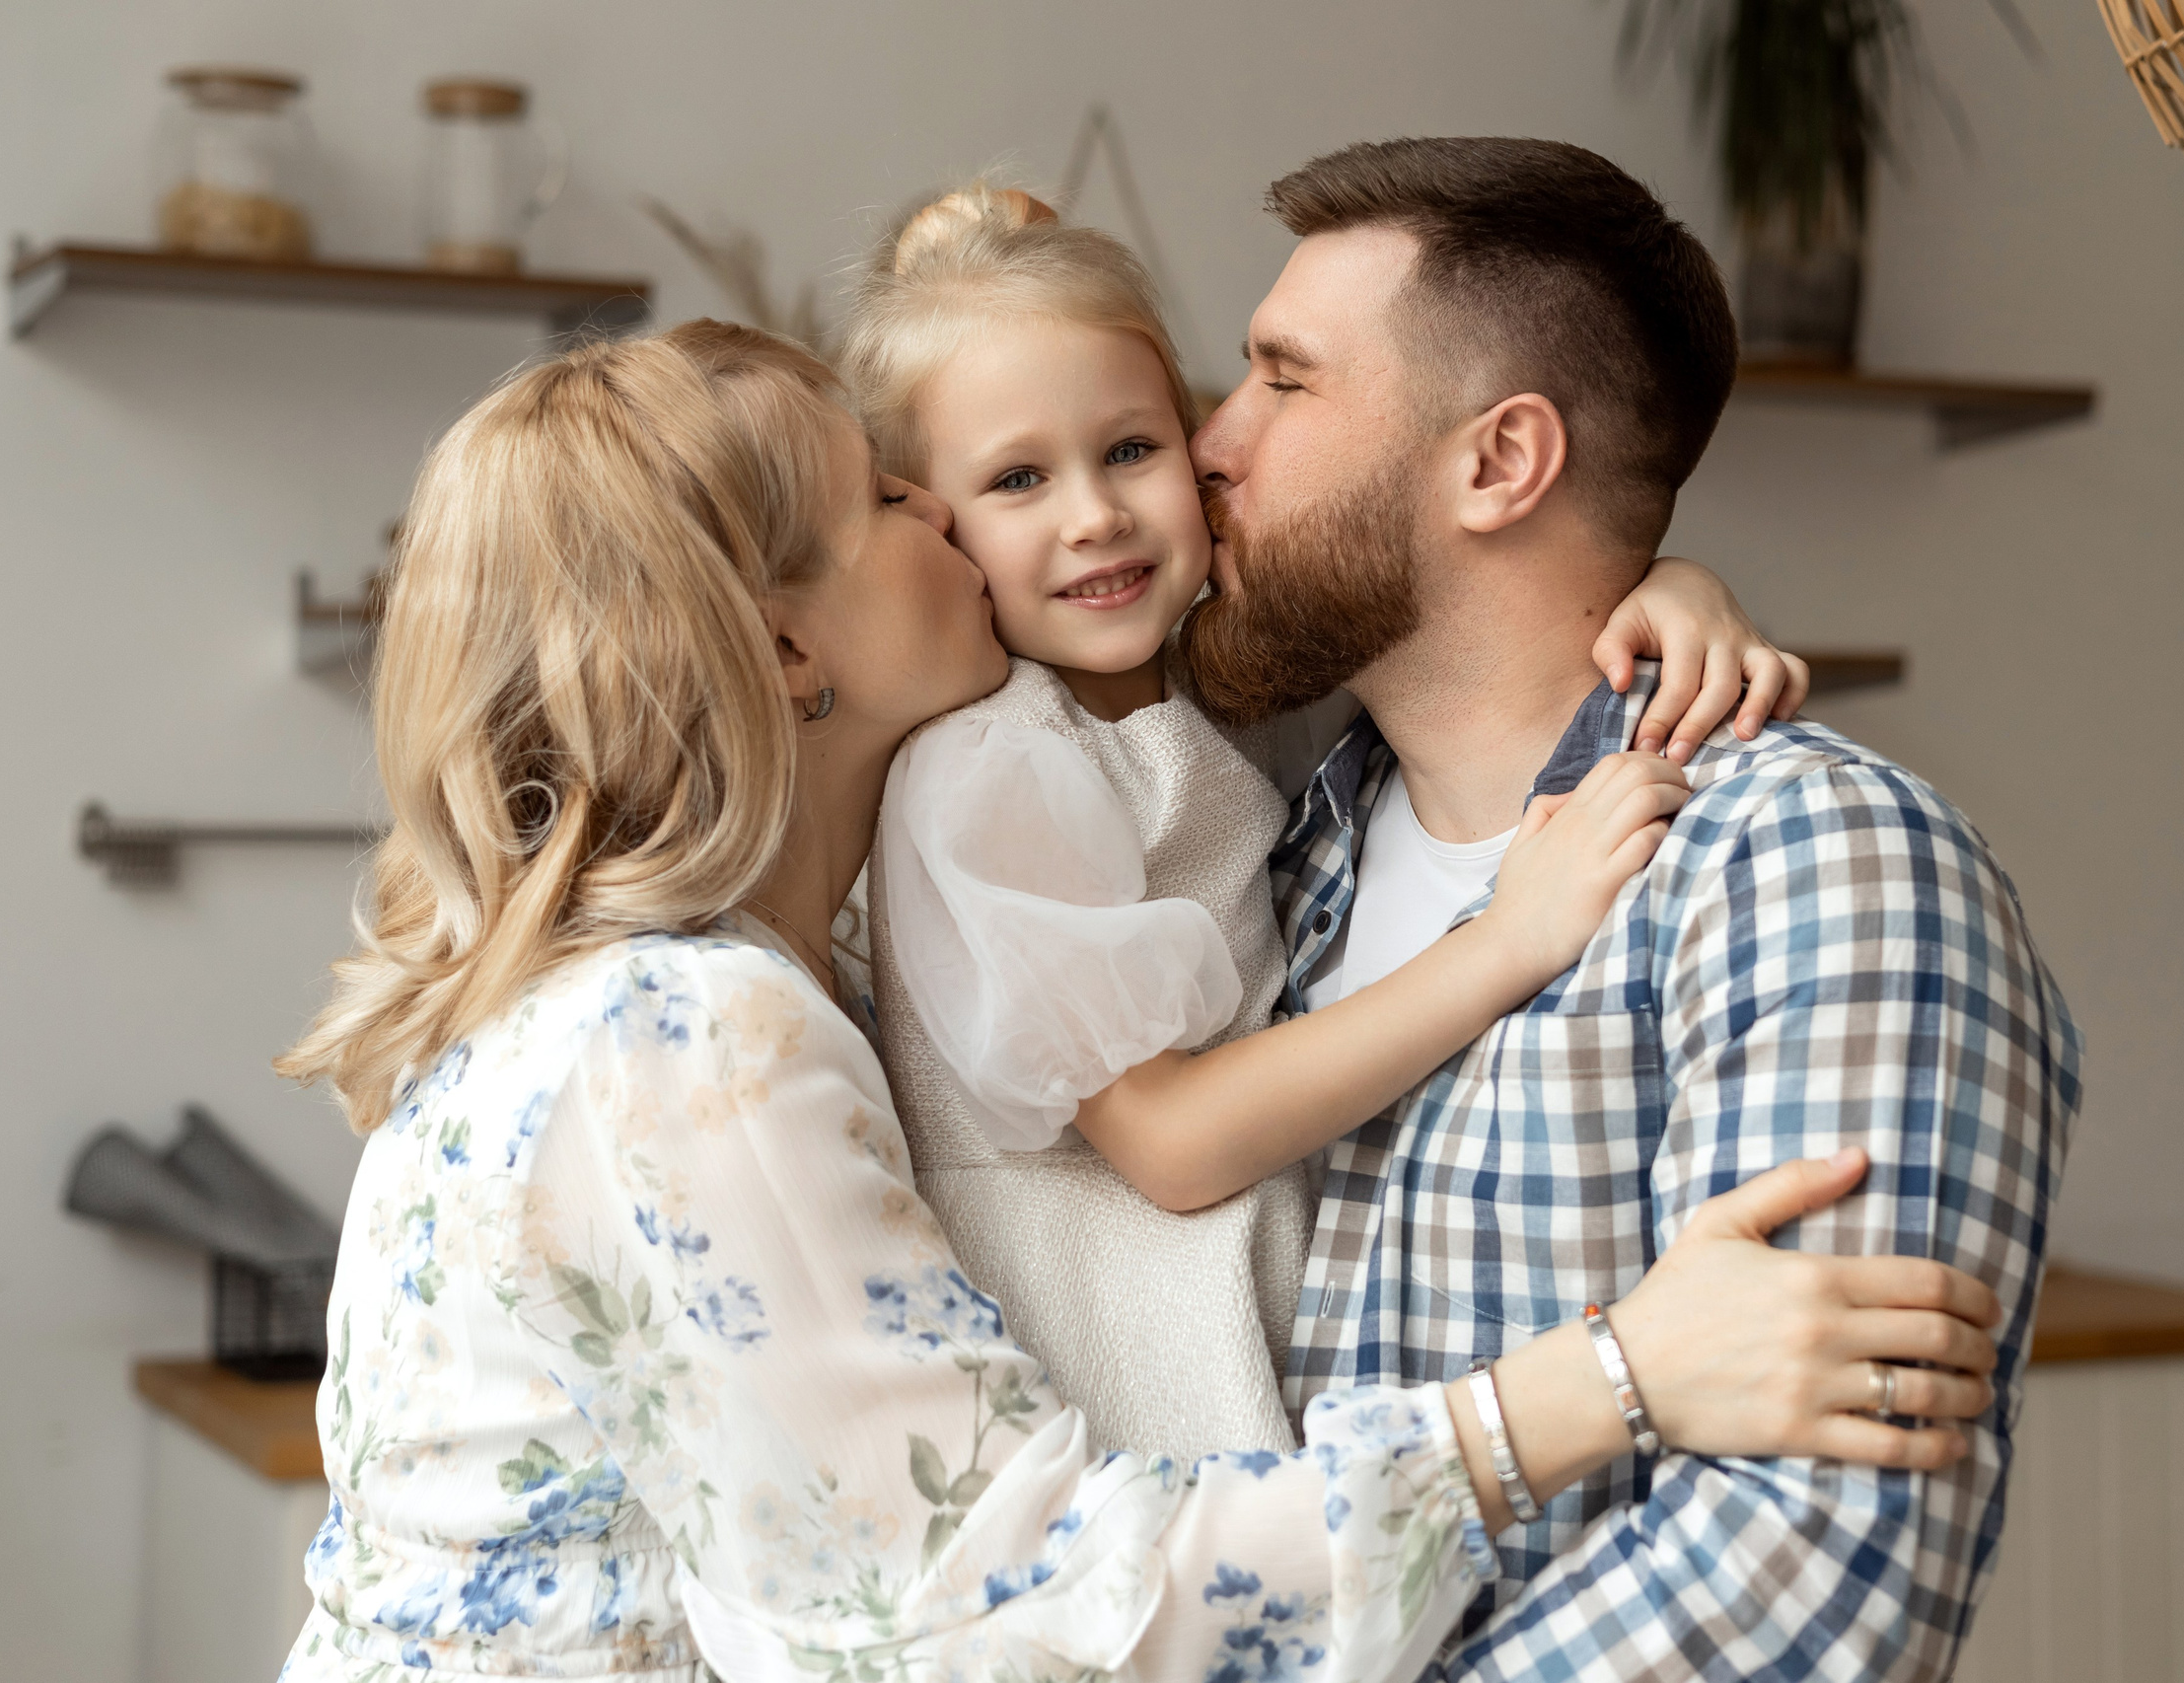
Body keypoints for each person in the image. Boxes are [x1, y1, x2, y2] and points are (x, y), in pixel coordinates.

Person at [271, 319, 2007, 1683]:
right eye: (892, 500)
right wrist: (1606, 1381)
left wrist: (1640, 592)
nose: (950, 514)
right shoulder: (687, 1039)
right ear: (788, 652)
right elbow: (1004, 1621)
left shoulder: (724, 984)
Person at [1183, 136, 2083, 1680]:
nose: (1211, 439)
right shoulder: (1266, 857)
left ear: (1499, 462)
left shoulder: (1817, 863)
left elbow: (1813, 1570)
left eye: (1283, 379)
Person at [837, 182, 1808, 1459]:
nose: (1096, 514)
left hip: (1263, 1305)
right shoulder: (987, 774)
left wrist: (1677, 586)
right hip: (1109, 1342)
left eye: (1134, 447)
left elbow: (1463, 648)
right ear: (931, 519)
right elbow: (1174, 1141)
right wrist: (1509, 938)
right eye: (1019, 477)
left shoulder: (1224, 702)